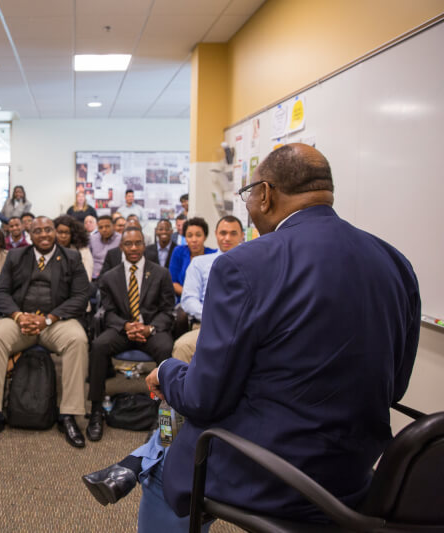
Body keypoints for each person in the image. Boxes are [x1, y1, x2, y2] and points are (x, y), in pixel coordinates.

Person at [139, 143, 419, 528]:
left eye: (249, 195)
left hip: (276, 473)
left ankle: (140, 465)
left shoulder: (243, 264)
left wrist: (167, 371)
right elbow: (396, 386)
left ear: (266, 194)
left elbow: (204, 399)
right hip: (355, 472)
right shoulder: (394, 261)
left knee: (162, 465)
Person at [0, 217, 91, 449]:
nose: (44, 234)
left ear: (55, 232)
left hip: (55, 322)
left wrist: (48, 319)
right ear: (30, 235)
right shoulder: (16, 256)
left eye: (48, 230)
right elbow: (1, 292)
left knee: (78, 340)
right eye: (38, 231)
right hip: (21, 320)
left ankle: (68, 415)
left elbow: (81, 296)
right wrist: (19, 316)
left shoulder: (71, 257)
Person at [86, 226, 174, 442]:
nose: (133, 248)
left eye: (137, 243)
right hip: (122, 330)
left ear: (144, 245)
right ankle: (96, 409)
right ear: (121, 247)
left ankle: (163, 414)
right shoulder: (109, 277)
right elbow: (107, 312)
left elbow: (168, 310)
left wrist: (149, 328)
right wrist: (126, 326)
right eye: (128, 244)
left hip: (151, 330)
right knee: (98, 346)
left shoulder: (161, 273)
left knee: (166, 348)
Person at [173, 216, 244, 362]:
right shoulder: (200, 263)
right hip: (208, 325)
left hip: (242, 326)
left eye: (233, 233)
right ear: (216, 234)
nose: (227, 238)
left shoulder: (252, 263)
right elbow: (189, 299)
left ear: (242, 236)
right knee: (182, 347)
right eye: (223, 233)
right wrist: (213, 317)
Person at [167, 217, 215, 300]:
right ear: (185, 238)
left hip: (208, 301)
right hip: (183, 301)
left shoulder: (213, 254)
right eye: (189, 236)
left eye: (198, 235)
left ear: (205, 237)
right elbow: (173, 283)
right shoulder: (178, 251)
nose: (194, 240)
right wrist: (191, 297)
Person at [53, 215, 93, 279]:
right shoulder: (50, 249)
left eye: (67, 233)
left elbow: (87, 276)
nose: (63, 236)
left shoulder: (83, 250)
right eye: (60, 232)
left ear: (73, 234)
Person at [89, 215, 121, 281]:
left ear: (113, 226)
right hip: (94, 277)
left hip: (113, 276)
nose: (104, 230)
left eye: (107, 226)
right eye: (100, 227)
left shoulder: (121, 239)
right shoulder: (92, 239)